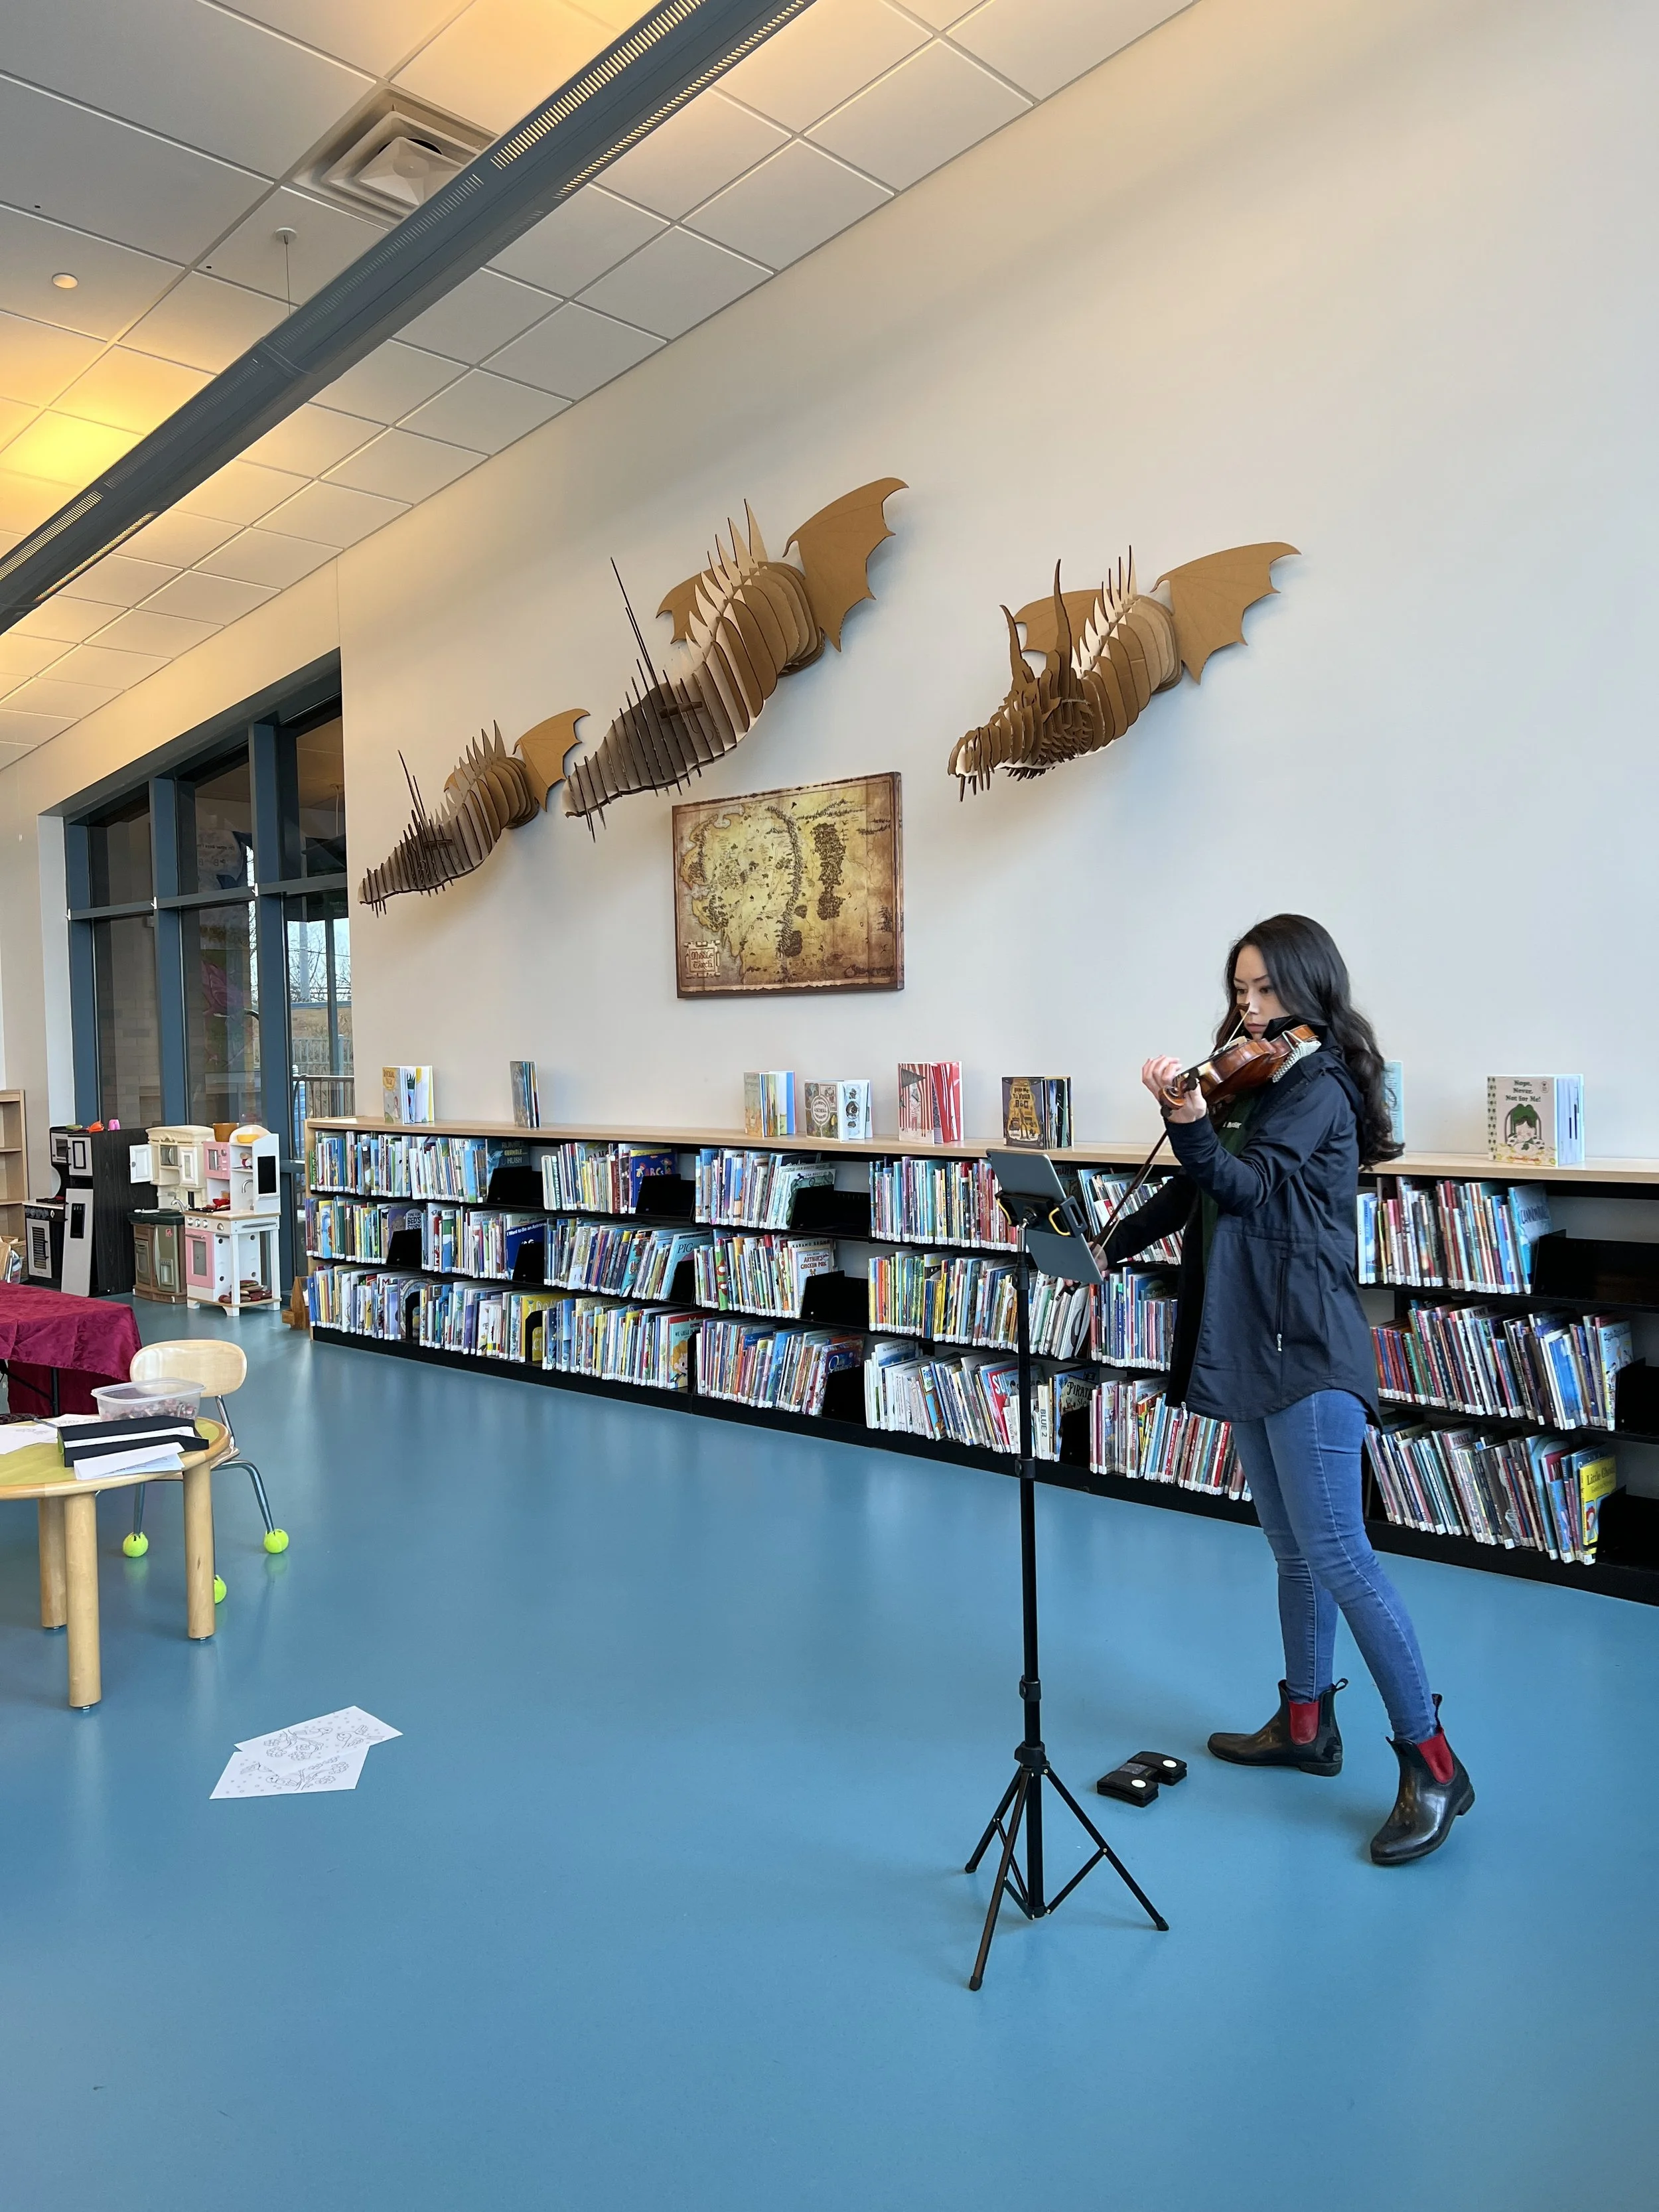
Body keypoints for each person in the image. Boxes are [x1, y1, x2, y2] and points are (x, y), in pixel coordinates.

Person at [1098, 915, 1473, 1864]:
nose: (1250, 1008)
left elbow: (1247, 1186)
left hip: (1306, 1346)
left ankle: (1435, 1764)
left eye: (1265, 989)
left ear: (1309, 989)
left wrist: (1188, 1121)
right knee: (1292, 1553)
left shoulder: (1321, 1088)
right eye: (1240, 991)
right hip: (1251, 1341)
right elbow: (1191, 1192)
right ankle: (1306, 1724)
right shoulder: (1254, 1083)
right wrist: (1108, 1246)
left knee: (1341, 1556)